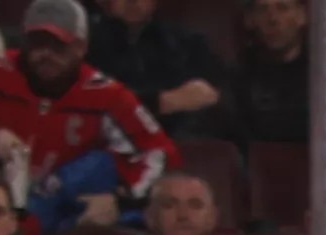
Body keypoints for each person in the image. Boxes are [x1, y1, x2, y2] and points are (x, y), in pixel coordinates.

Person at [0, 0, 176, 232]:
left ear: (81, 47)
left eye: (58, 45)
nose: (46, 54)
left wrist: (122, 200)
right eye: (37, 43)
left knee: (98, 165)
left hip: (65, 202)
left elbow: (159, 152)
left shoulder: (106, 94)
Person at [231, 0, 326, 149]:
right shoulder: (238, 80)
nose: (273, 19)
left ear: (302, 16)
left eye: (283, 8)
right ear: (250, 20)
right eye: (262, 10)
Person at [84, 0, 229, 143]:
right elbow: (90, 103)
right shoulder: (86, 44)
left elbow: (220, 93)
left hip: (179, 142)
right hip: (108, 145)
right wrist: (162, 102)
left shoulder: (188, 43)